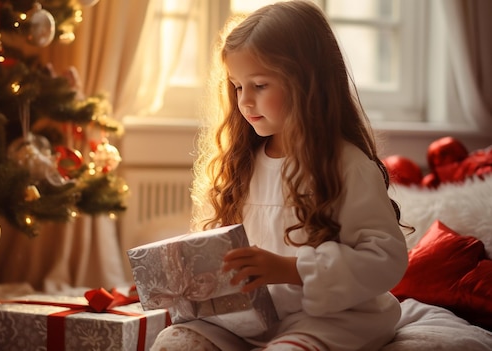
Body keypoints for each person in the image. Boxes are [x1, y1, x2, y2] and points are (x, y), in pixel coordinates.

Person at [150, 1, 410, 350]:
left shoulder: (347, 165)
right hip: (253, 319)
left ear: (308, 83)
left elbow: (385, 260)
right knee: (173, 342)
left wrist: (290, 270)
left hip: (331, 319)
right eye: (238, 87)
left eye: (259, 85)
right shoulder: (241, 162)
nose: (244, 102)